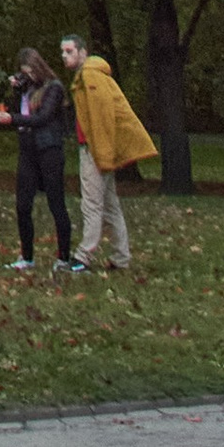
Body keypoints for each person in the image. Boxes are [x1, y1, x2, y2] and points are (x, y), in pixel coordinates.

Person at [59, 32, 158, 273]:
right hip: (95, 149)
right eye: (62, 52)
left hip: (94, 150)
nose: (64, 56)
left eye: (69, 51)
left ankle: (84, 257)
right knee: (110, 204)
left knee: (92, 203)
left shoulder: (90, 76)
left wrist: (102, 155)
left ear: (83, 52)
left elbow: (103, 119)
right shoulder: (89, 75)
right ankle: (121, 257)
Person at [0, 46, 76, 272]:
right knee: (22, 204)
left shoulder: (54, 88)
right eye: (24, 72)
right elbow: (20, 111)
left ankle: (64, 257)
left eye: (30, 71)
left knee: (56, 203)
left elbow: (42, 117)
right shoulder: (27, 89)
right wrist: (16, 90)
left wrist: (12, 119)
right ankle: (27, 256)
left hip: (48, 148)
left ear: (38, 67)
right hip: (28, 149)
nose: (28, 75)